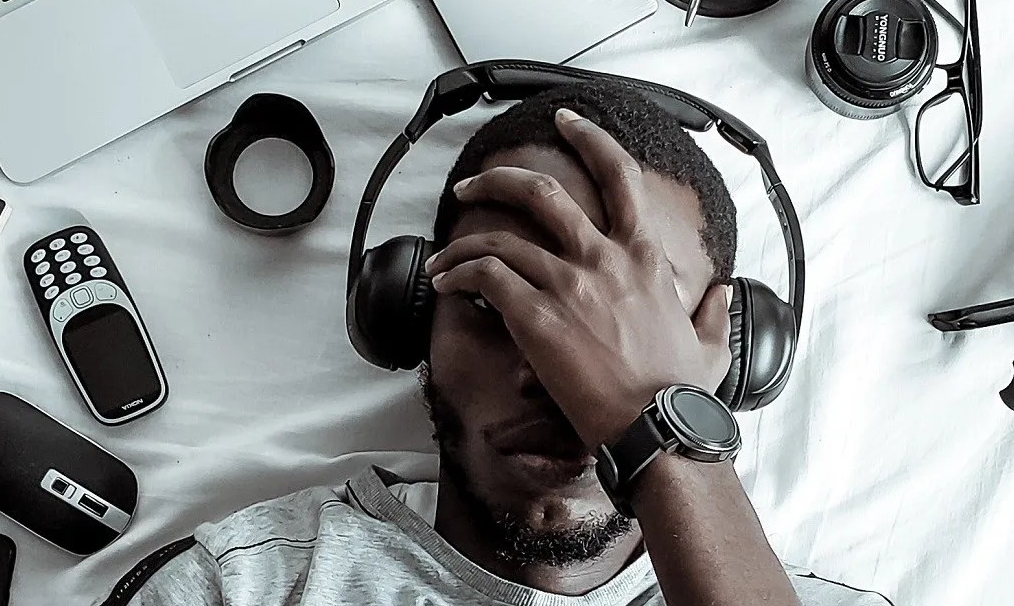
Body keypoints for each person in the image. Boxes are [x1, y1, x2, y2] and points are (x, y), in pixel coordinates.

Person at [120, 82, 887, 606]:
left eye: (634, 318)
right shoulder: (246, 588)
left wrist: (659, 434)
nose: (559, 374)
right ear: (412, 318)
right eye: (497, 302)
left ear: (731, 354)